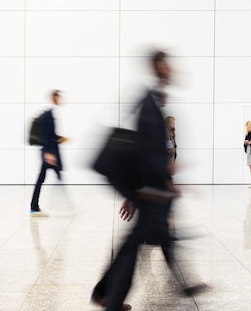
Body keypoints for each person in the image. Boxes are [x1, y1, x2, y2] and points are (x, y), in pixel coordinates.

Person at [90, 51, 206, 311]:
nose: (172, 69)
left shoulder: (152, 105)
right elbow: (147, 153)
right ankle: (108, 299)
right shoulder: (149, 105)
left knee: (139, 243)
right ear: (156, 66)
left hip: (151, 189)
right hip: (152, 191)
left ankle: (105, 295)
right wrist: (159, 185)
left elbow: (152, 153)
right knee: (135, 245)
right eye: (167, 64)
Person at [30, 90, 68, 217]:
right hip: (49, 153)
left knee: (47, 178)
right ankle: (35, 207)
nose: (60, 99)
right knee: (46, 178)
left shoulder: (51, 114)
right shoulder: (49, 115)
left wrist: (60, 138)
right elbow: (46, 137)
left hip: (50, 152)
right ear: (54, 98)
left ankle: (35, 206)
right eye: (59, 97)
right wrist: (48, 154)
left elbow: (50, 135)